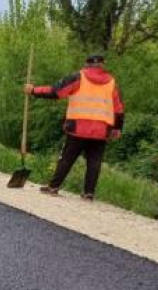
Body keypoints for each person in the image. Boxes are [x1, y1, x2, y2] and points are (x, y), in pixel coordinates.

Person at [25, 53, 124, 200]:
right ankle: (89, 193)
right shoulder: (111, 83)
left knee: (67, 158)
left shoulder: (78, 77)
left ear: (86, 64)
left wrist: (33, 90)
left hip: (78, 127)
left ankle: (53, 187)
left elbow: (56, 92)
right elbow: (119, 109)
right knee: (94, 162)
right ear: (103, 64)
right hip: (101, 130)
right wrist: (117, 128)